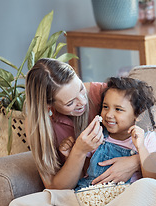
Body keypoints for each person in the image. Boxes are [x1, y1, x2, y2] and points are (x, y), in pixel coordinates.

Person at [25, 58, 141, 189]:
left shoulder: (103, 93)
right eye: (70, 103)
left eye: (80, 89)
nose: (83, 102)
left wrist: (134, 162)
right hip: (86, 190)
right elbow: (54, 187)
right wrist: (78, 152)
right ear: (48, 106)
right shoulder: (37, 126)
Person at [71, 77, 156, 190]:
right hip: (93, 195)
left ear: (139, 114)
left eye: (118, 109)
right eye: (105, 107)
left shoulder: (149, 138)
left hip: (130, 194)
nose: (109, 114)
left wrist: (141, 147)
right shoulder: (96, 135)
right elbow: (86, 173)